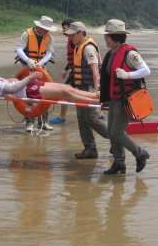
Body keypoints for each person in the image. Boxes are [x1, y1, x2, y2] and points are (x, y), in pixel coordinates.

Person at [97, 19, 151, 174]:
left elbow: (146, 70)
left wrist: (127, 75)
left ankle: (140, 153)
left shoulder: (130, 53)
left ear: (116, 36)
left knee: (116, 132)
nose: (105, 38)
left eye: (107, 35)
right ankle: (119, 163)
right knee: (112, 132)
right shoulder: (111, 53)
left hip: (125, 100)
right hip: (114, 98)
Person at [0, 54, 100, 105]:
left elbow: (4, 86)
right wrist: (30, 77)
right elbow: (12, 90)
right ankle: (97, 102)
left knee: (67, 87)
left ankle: (96, 95)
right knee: (65, 93)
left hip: (28, 86)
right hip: (27, 91)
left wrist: (9, 80)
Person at [65, 22, 109, 159]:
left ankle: (117, 137)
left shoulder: (88, 48)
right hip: (81, 88)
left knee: (91, 118)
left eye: (73, 34)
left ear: (81, 33)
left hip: (90, 88)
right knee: (81, 119)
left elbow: (95, 71)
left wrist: (97, 91)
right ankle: (90, 148)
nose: (70, 37)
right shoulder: (78, 46)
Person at [15, 15, 57, 132]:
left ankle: (43, 122)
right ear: (39, 26)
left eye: (48, 29)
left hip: (42, 68)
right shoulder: (27, 34)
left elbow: (49, 52)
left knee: (44, 92)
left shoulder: (49, 37)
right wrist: (28, 60)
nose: (47, 31)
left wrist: (41, 63)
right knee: (29, 92)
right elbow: (19, 49)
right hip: (27, 67)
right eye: (45, 28)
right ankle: (29, 122)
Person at [50, 19, 75, 124]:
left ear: (71, 27)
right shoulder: (71, 39)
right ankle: (99, 114)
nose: (63, 31)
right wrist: (66, 69)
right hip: (75, 71)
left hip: (79, 73)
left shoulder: (74, 40)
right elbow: (73, 58)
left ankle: (62, 117)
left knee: (65, 92)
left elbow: (77, 58)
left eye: (64, 28)